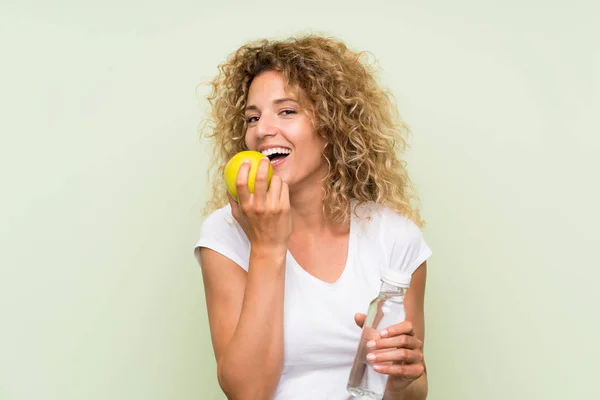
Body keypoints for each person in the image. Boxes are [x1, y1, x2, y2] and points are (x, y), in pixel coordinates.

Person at [194, 35, 432, 400]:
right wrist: (267, 245)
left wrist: (401, 380)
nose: (261, 130)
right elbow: (247, 392)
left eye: (287, 111)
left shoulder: (396, 238)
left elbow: (412, 390)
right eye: (252, 117)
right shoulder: (224, 233)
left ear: (333, 125)